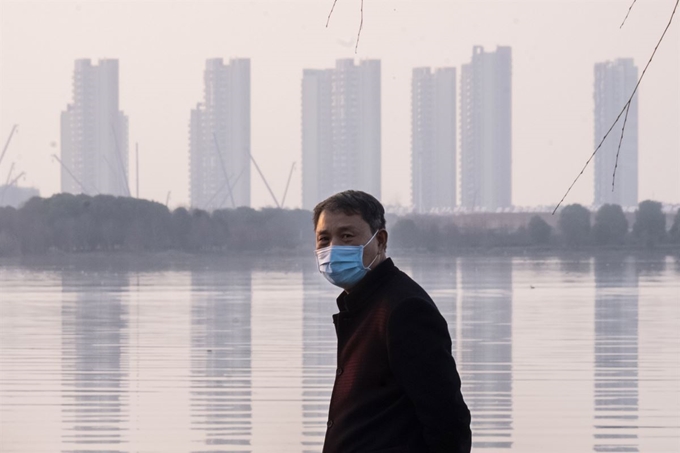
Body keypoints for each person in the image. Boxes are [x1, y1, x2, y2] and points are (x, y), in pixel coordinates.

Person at [313, 190, 471, 453]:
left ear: (381, 240)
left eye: (347, 236)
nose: (333, 248)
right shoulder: (361, 306)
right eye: (324, 239)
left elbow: (447, 419)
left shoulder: (404, 308)